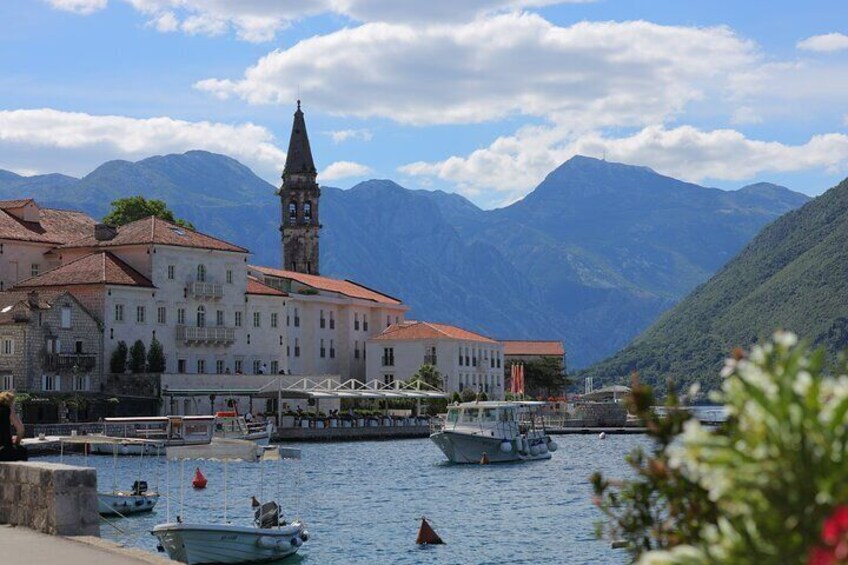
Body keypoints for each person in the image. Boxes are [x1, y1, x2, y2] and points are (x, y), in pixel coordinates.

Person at [0, 391, 27, 462]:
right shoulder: (7, 409)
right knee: (22, 451)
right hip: (3, 450)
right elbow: (20, 429)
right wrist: (17, 442)